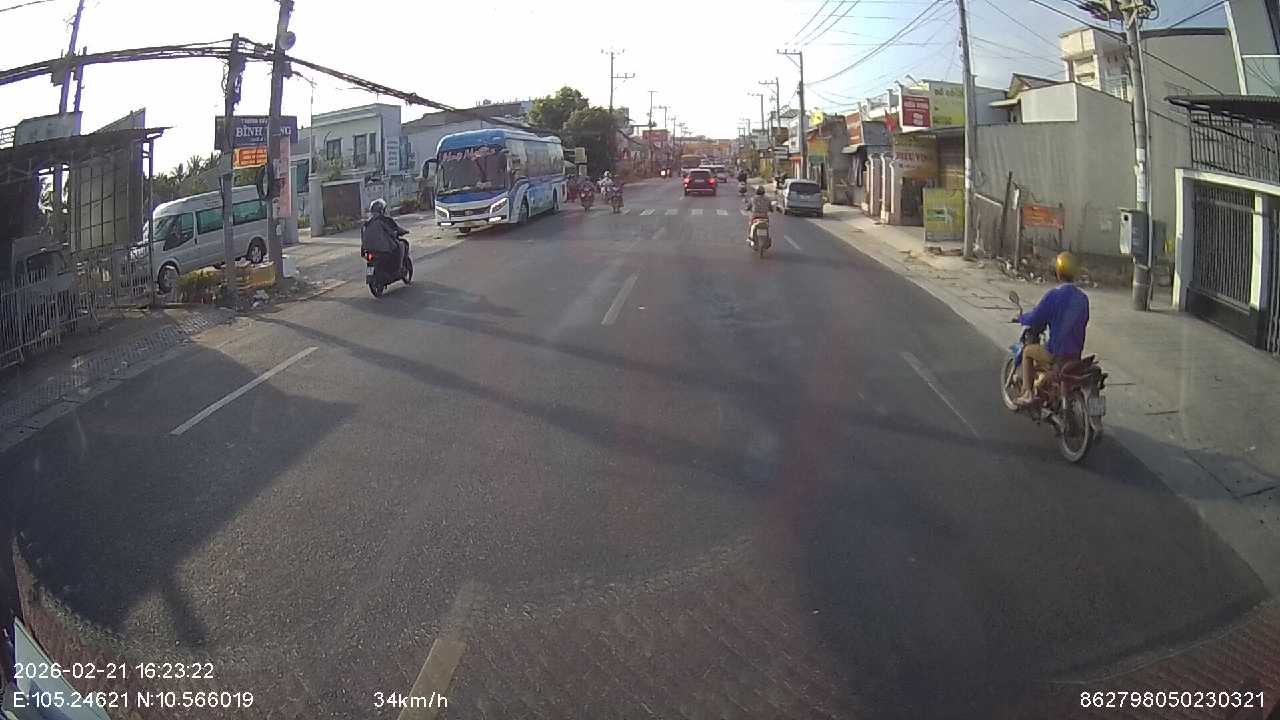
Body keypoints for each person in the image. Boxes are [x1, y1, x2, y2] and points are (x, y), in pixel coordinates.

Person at [1013, 251, 1090, 406]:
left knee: (1028, 351)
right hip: (1075, 354)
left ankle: (1028, 394)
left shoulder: (1053, 296)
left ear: (1058, 273)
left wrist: (1021, 318)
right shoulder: (1082, 298)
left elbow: (1035, 317)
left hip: (1057, 353)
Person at [361, 198, 408, 274]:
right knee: (401, 245)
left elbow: (363, 237)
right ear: (382, 210)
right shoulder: (384, 219)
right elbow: (394, 229)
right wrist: (404, 231)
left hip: (368, 249)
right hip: (382, 249)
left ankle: (373, 273)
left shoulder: (366, 223)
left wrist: (363, 249)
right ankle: (398, 269)